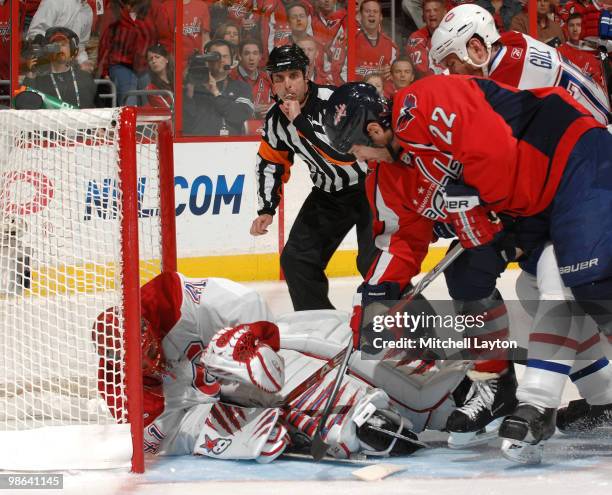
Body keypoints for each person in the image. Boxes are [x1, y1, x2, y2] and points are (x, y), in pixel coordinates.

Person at [323, 76, 612, 461]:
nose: (359, 160)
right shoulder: (387, 179)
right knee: (471, 279)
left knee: (584, 283)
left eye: (356, 149)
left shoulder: (422, 103)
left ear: (374, 130)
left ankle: (540, 403)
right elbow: (399, 240)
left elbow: (490, 147)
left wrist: (483, 207)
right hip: (521, 205)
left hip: (570, 158)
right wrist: (375, 298)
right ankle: (503, 386)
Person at [94, 271, 466, 460]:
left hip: (264, 364)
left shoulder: (171, 298)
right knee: (234, 421)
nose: (155, 361)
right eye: (142, 361)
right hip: (230, 403)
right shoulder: (121, 390)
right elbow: (168, 436)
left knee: (322, 339)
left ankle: (436, 397)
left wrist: (253, 345)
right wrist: (225, 426)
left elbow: (249, 306)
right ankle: (351, 424)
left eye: (151, 347)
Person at [250, 44, 378, 311]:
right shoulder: (275, 121)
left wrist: (300, 123)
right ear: (271, 83)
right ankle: (322, 325)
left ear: (306, 75)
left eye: (294, 76)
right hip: (329, 195)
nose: (288, 85)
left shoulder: (336, 101)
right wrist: (267, 208)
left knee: (373, 263)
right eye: (279, 78)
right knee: (297, 261)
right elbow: (270, 162)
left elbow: (345, 155)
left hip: (372, 189)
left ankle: (419, 330)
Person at [183, 39, 254, 136]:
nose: (221, 60)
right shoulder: (194, 86)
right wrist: (188, 95)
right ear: (207, 60)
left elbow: (239, 115)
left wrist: (216, 93)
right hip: (198, 145)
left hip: (232, 146)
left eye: (225, 56)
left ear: (231, 60)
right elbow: (185, 124)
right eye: (216, 57)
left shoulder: (241, 87)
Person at [23, 27, 98, 108]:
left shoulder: (84, 77)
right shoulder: (38, 78)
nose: (60, 49)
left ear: (72, 50)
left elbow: (98, 109)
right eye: (55, 45)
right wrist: (30, 74)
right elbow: (27, 106)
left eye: (63, 44)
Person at [26, 0, 94, 71]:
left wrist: (83, 61)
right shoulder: (55, 1)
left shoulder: (87, 11)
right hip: (44, 64)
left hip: (66, 69)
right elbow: (35, 34)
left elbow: (81, 44)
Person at [229, 39, 274, 134]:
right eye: (247, 53)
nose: (251, 58)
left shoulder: (267, 78)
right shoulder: (231, 77)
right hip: (237, 132)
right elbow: (225, 109)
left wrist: (270, 110)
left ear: (260, 56)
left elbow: (279, 102)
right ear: (240, 56)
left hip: (265, 131)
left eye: (255, 53)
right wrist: (251, 111)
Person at [558, 13, 608, 91]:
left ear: (582, 27)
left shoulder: (594, 49)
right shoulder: (560, 51)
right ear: (567, 28)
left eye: (578, 25)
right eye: (571, 25)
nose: (575, 29)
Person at [354, 0, 397, 81]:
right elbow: (338, 71)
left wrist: (392, 74)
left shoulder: (390, 45)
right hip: (354, 91)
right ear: (359, 16)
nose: (371, 14)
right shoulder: (349, 40)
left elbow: (393, 79)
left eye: (375, 11)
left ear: (381, 17)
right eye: (367, 11)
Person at [405, 0, 447, 78]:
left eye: (436, 10)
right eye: (428, 11)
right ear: (423, 16)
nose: (432, 14)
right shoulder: (415, 39)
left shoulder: (455, 32)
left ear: (445, 13)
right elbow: (423, 72)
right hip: (430, 84)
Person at [144, 43, 173, 108]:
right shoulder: (151, 89)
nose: (153, 61)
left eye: (157, 57)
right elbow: (167, 109)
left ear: (166, 59)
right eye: (150, 59)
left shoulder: (178, 79)